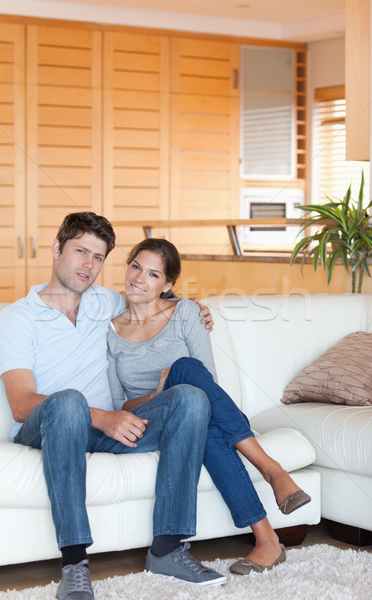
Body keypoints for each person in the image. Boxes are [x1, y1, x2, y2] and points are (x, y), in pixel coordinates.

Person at [0, 212, 227, 600]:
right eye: (80, 251)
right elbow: (20, 404)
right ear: (56, 249)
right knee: (69, 402)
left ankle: (168, 548)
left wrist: (193, 309)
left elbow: (154, 296)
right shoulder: (18, 317)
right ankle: (75, 565)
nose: (88, 264)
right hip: (50, 426)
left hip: (110, 430)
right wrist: (100, 417)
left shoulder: (107, 302)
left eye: (98, 257)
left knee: (190, 397)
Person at [107, 237, 312, 576]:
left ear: (168, 284)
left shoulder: (186, 312)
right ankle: (271, 470)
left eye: (154, 275)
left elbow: (207, 382)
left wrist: (176, 382)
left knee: (191, 385)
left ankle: (267, 541)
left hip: (193, 411)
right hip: (148, 420)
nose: (139, 279)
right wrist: (159, 392)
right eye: (136, 267)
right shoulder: (111, 331)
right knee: (184, 373)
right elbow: (120, 405)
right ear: (127, 267)